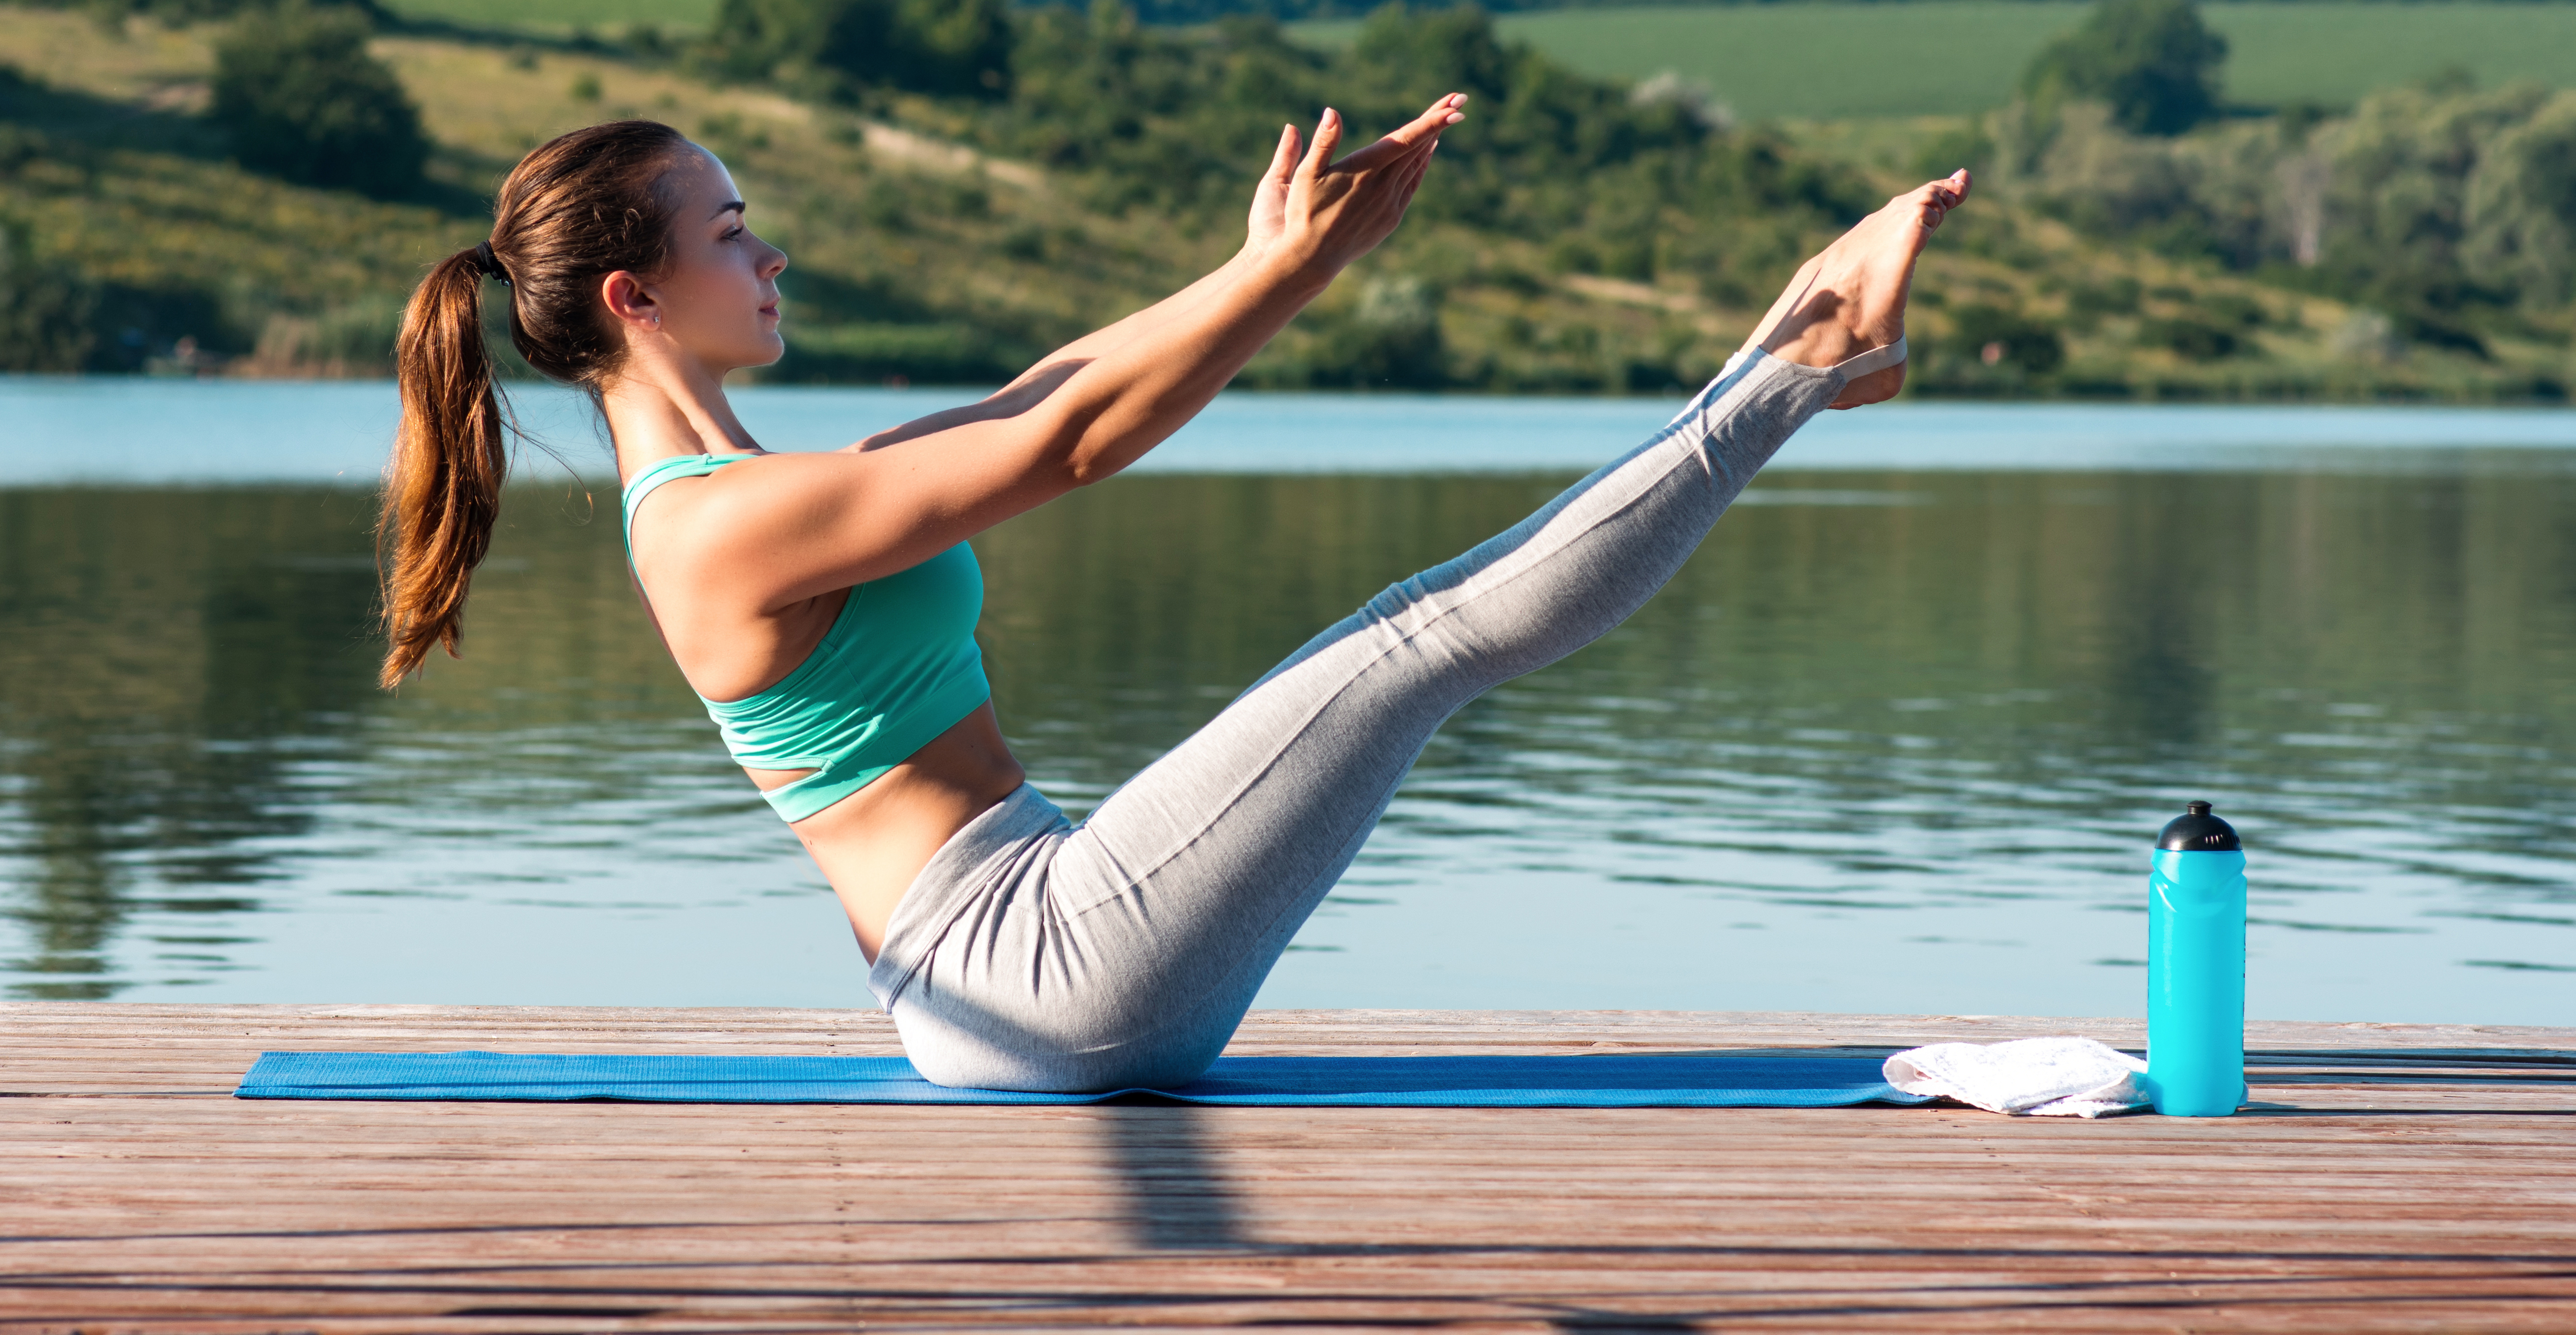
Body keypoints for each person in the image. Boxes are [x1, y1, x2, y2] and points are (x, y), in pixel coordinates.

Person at [379, 99, 1967, 1091]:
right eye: (735, 236)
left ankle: (1813, 367)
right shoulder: (720, 533)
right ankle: (1807, 367)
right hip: (1029, 969)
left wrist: (1268, 263)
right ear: (636, 297)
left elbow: (1063, 398)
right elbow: (1064, 441)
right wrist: (1287, 276)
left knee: (1408, 643)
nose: (772, 256)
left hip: (1027, 947)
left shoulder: (781, 493)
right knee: (1413, 638)